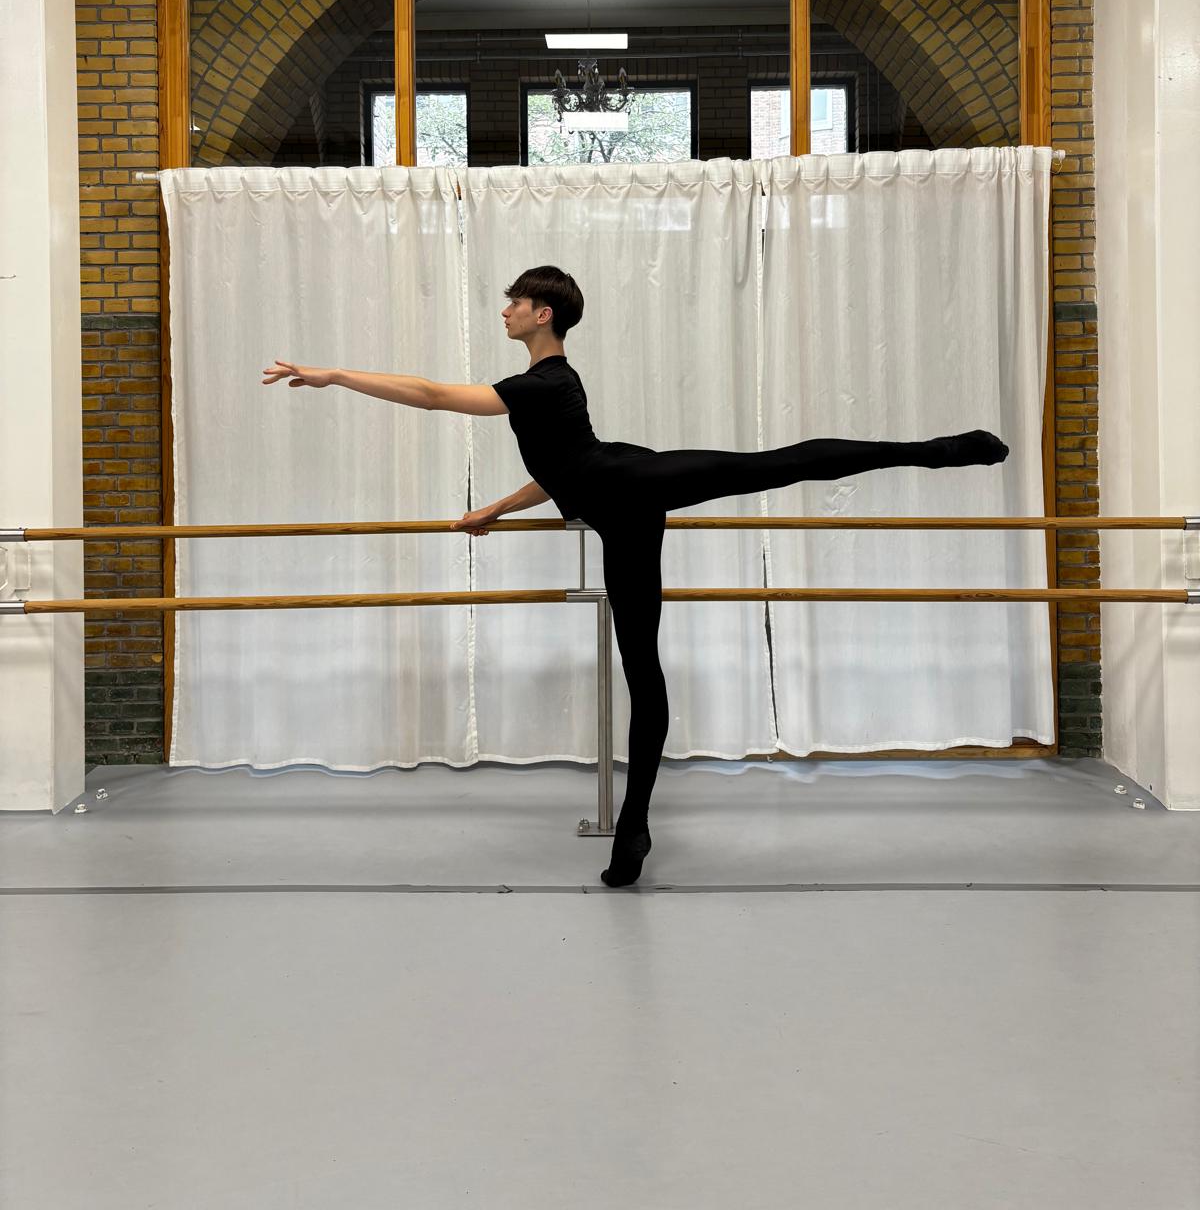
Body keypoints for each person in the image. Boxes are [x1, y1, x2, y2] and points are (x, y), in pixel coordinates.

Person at [264, 263, 1008, 888]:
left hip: (631, 482)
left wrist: (335, 375)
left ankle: (937, 450)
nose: (505, 311)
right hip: (618, 512)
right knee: (642, 672)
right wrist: (495, 508)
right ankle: (636, 828)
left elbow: (432, 395)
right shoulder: (545, 384)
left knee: (773, 466)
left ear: (542, 313)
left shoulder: (543, 382)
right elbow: (561, 471)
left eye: (514, 302)